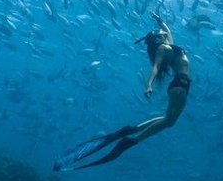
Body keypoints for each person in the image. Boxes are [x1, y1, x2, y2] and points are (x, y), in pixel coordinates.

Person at [54, 13, 191, 171]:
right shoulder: (162, 48)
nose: (162, 33)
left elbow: (168, 31)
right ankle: (131, 141)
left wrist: (159, 20)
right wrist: (149, 84)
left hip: (181, 85)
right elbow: (156, 67)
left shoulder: (168, 46)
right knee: (169, 121)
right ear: (156, 39)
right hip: (180, 85)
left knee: (168, 119)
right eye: (159, 33)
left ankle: (132, 130)